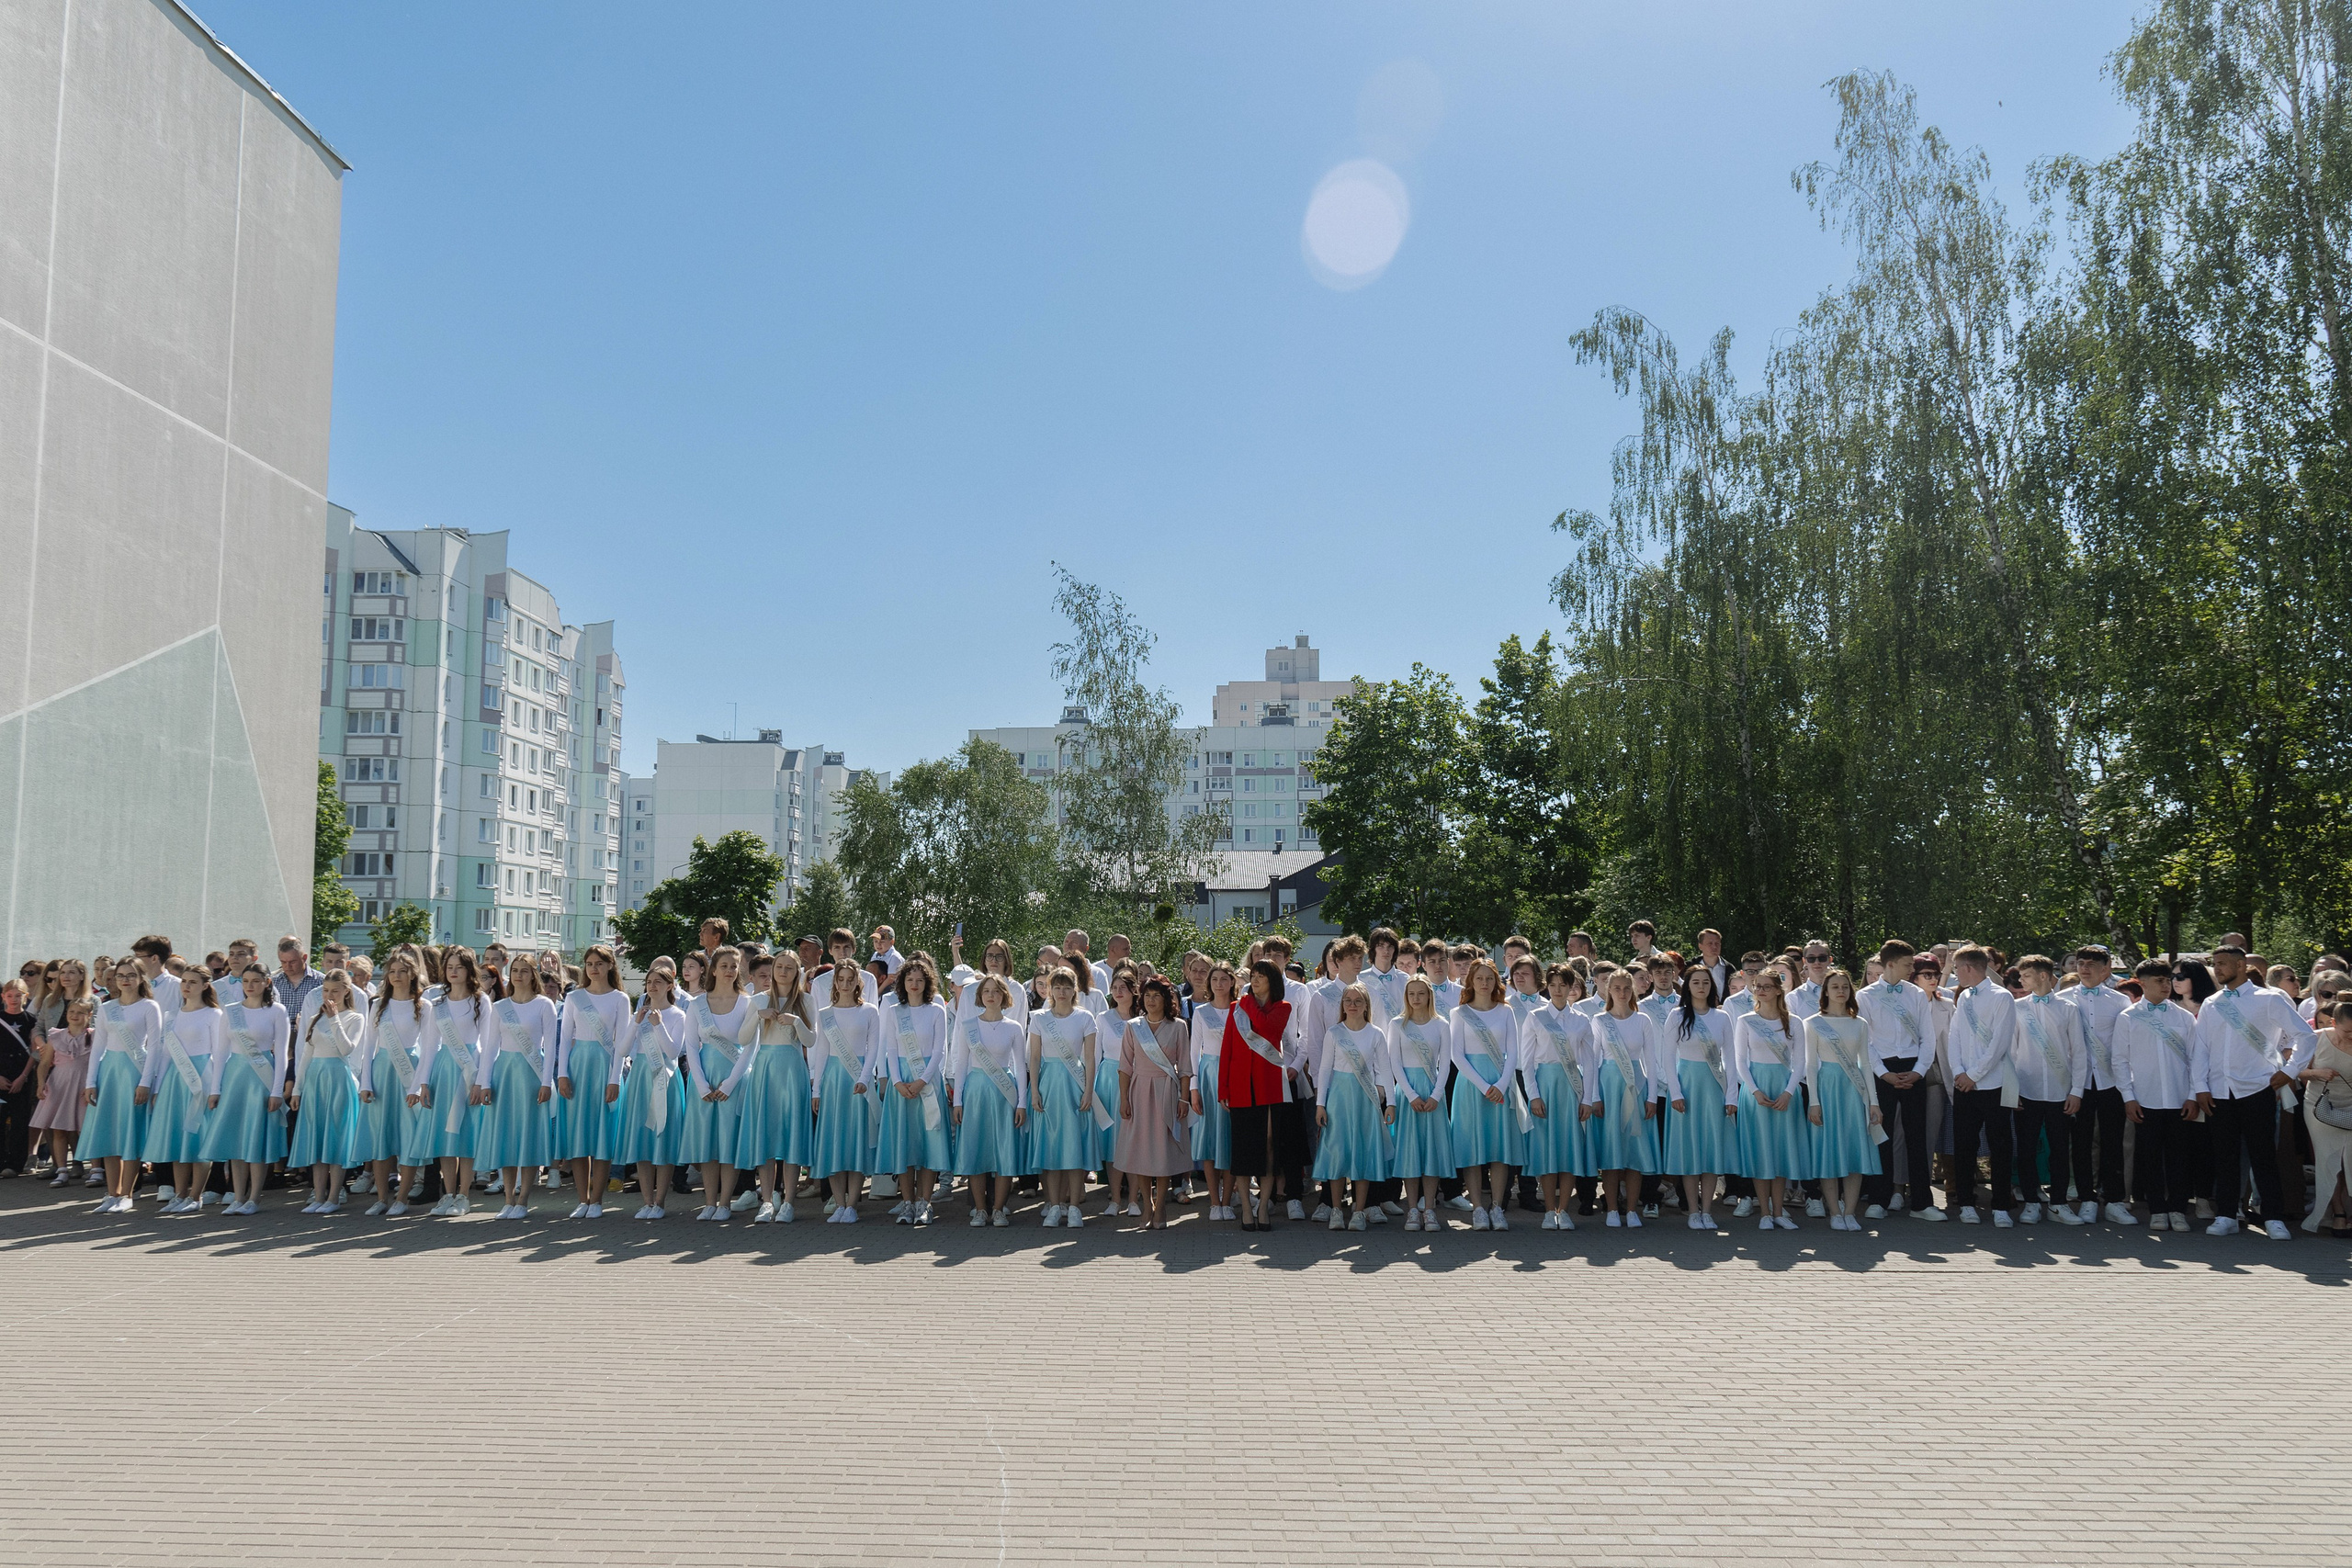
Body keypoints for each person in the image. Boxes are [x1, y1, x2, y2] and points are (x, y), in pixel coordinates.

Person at [2193, 942, 2314, 1239]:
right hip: (2220, 1091)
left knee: (2263, 1156)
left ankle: (2273, 1217)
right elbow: (2201, 1049)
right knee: (2224, 1156)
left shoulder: (2269, 999)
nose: (2217, 969)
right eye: (2215, 963)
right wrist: (2200, 1087)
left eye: (2222, 963)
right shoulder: (2212, 1003)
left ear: (2240, 965)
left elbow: (2306, 1036)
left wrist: (2288, 1072)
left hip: (2258, 1088)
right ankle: (2225, 1214)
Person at [2115, 959, 2203, 1234]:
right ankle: (2157, 1208)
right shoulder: (2128, 1017)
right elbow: (2119, 1060)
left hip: (2179, 1100)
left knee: (2180, 1158)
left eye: (2168, 980)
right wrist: (2128, 1097)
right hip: (2145, 1099)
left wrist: (2192, 1095)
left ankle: (2177, 1209)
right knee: (2150, 1157)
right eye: (2159, 981)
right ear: (2142, 983)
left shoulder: (2183, 1017)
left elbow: (2196, 1059)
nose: (2167, 986)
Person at [1857, 940, 1935, 1221]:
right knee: (1882, 1135)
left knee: (1917, 1137)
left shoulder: (1916, 994)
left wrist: (1919, 1070)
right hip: (1883, 1071)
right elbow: (1865, 1041)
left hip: (1914, 1068)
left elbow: (1929, 1037)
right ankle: (1879, 1199)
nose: (1912, 968)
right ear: (1890, 964)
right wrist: (1883, 1073)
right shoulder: (1865, 996)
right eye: (1907, 964)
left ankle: (1922, 1204)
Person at [472, 959, 556, 1219]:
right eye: (515, 971)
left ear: (533, 976)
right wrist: (485, 1082)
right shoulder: (499, 1007)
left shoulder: (544, 1005)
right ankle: (508, 1199)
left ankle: (523, 1200)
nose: (519, 975)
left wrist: (545, 1082)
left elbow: (550, 1048)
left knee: (528, 1136)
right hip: (504, 1074)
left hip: (531, 1074)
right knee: (506, 1138)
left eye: (525, 971)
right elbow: (490, 1047)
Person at [1220, 959, 1299, 1233]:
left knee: (1268, 1148)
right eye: (1252, 975)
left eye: (1261, 977)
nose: (1254, 981)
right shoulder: (1236, 1008)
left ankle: (1263, 1206)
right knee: (1242, 1150)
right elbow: (1227, 1049)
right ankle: (1245, 1207)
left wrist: (1247, 1001)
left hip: (1269, 1086)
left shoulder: (1282, 1007)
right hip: (1240, 1086)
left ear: (1272, 981)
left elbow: (1267, 1028)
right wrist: (1223, 1088)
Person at [735, 951, 815, 1224]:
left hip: (792, 1070)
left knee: (791, 1136)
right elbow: (743, 1038)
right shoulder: (758, 1000)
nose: (782, 971)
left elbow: (812, 1040)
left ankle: (789, 1201)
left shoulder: (806, 1000)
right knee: (765, 1136)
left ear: (797, 972)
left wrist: (797, 1021)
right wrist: (758, 1016)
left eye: (789, 968)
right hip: (765, 1069)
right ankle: (767, 1200)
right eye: (779, 966)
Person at [1517, 963, 1597, 1231]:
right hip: (1546, 1085)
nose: (1558, 990)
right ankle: (1549, 1211)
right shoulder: (1536, 1017)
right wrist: (1534, 1096)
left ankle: (1564, 1210)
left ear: (1572, 986)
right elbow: (1526, 1062)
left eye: (1563, 985)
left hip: (1571, 1087)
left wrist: (1588, 1098)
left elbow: (1589, 1061)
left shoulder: (1582, 1020)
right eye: (1553, 985)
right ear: (1546, 987)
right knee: (1547, 1150)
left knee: (1569, 1149)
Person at [550, 944, 628, 1220]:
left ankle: (597, 1200)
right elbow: (565, 1037)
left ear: (610, 966)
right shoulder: (575, 998)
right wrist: (562, 1074)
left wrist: (615, 1079)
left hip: (605, 1067)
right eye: (589, 963)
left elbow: (621, 1044)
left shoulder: (620, 999)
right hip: (577, 1066)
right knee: (578, 1136)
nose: (594, 968)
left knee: (602, 1135)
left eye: (599, 963)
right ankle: (582, 1199)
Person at [2010, 955, 2088, 1225]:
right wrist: (2012, 1090)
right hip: (2026, 1090)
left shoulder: (2068, 1008)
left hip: (2060, 1092)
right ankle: (2031, 1202)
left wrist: (2077, 1090)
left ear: (2043, 975)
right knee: (2027, 1148)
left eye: (2026, 976)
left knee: (2058, 1149)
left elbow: (2079, 1052)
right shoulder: (2017, 1007)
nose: (2021, 981)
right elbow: (2010, 1052)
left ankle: (2058, 1203)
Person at [1945, 946, 2018, 1227]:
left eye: (1955, 968)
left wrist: (1974, 1073)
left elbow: (2000, 1042)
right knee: (1964, 1145)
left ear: (1968, 968)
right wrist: (1959, 1072)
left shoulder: (2002, 997)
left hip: (1994, 1083)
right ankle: (1966, 1203)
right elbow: (1955, 1036)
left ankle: (2000, 1205)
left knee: (2000, 1145)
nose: (1954, 973)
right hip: (1965, 1086)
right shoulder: (1963, 997)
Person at [1804, 967, 1883, 1231]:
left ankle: (1850, 1212)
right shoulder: (1813, 1023)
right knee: (1829, 1150)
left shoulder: (1859, 1023)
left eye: (1845, 987)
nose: (1841, 991)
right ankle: (1834, 1212)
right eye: (1835, 986)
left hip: (1853, 1091)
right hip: (1827, 1088)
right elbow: (1810, 1065)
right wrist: (1814, 1101)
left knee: (1854, 1149)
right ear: (1825, 991)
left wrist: (1874, 1102)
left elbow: (1866, 1063)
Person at [1661, 962, 1738, 1230]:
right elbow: (1668, 1058)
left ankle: (1707, 1211)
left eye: (1706, 982)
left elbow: (1731, 1057)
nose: (1701, 987)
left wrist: (1731, 1096)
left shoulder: (1722, 1017)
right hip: (1687, 1086)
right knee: (1690, 1151)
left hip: (1714, 1087)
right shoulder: (1677, 1016)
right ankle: (1692, 1210)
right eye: (1696, 982)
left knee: (1710, 1150)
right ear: (1687, 986)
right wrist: (1675, 1092)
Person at [141, 964, 224, 1213]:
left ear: (205, 985)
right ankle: (180, 1194)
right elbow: (165, 1055)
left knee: (197, 1137)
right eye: (184, 981)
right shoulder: (172, 1015)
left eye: (193, 982)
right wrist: (157, 1087)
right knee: (178, 1138)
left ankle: (196, 1196)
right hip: (175, 1080)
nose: (186, 986)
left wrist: (216, 1088)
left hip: (201, 1077)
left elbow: (220, 1054)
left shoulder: (214, 1014)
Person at [411, 948, 487, 1217]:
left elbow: (488, 1045)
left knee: (464, 1136)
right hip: (444, 1070)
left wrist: (482, 1081)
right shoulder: (437, 1004)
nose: (453, 971)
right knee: (445, 1137)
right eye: (449, 966)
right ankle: (448, 1194)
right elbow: (429, 1046)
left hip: (469, 1071)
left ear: (469, 970)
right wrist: (423, 1082)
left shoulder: (481, 1001)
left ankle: (464, 1195)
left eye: (459, 966)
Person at [680, 949, 754, 1222]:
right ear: (712, 970)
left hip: (733, 1077)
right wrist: (700, 1084)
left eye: (734, 966)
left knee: (727, 1143)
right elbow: (690, 1046)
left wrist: (731, 1082)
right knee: (707, 1143)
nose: (729, 970)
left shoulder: (747, 1003)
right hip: (705, 1077)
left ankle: (725, 1203)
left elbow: (750, 1047)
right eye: (724, 965)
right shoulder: (698, 1004)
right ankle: (709, 1202)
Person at [1449, 958, 1522, 1231]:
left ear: (1496, 982)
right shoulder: (1459, 1013)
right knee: (1473, 1149)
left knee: (1499, 1149)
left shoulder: (1506, 1011)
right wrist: (1484, 1086)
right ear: (1471, 981)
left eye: (1489, 978)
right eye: (1479, 978)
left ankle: (1497, 1207)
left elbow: (1512, 1052)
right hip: (1471, 1086)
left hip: (1500, 1084)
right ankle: (1478, 1208)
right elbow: (1457, 1055)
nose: (1484, 983)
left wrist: (1501, 1085)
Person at [876, 957, 952, 1226]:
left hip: (927, 1083)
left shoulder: (936, 1010)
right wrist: (897, 1082)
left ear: (927, 982)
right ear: (902, 983)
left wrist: (922, 1081)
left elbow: (940, 1049)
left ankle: (925, 1203)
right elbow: (891, 1049)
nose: (915, 984)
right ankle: (907, 1203)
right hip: (902, 1085)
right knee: (904, 1146)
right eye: (910, 980)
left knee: (928, 1146)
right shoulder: (895, 1011)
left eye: (920, 980)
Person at [1733, 969, 1809, 1230]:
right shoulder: (1745, 1020)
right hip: (1756, 1090)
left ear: (1778, 990)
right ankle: (1764, 1212)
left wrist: (1789, 1092)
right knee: (1760, 1150)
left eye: (1766, 986)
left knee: (1781, 1151)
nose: (1761, 990)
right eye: (1757, 986)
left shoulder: (1794, 1022)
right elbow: (1740, 1060)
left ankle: (1778, 1211)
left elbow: (1800, 1062)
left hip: (1784, 1089)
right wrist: (1754, 1090)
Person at [1115, 975, 1193, 1230]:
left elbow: (1184, 1067)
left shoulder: (1178, 1026)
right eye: (1147, 995)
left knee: (1162, 1152)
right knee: (1140, 1150)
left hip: (1167, 1092)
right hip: (1139, 1092)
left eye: (1156, 995)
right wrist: (1124, 1099)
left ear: (1166, 998)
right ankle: (1146, 1205)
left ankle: (1160, 1207)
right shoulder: (1133, 1026)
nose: (1150, 1000)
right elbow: (1125, 1067)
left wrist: (1184, 1098)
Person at [82, 961, 161, 1213]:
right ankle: (112, 1193)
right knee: (109, 1134)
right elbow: (98, 1047)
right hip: (110, 1073)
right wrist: (90, 1082)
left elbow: (156, 1047)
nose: (125, 980)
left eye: (130, 975)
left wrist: (146, 1082)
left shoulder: (149, 1007)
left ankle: (127, 1194)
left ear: (140, 978)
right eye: (120, 976)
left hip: (134, 1073)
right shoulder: (107, 1008)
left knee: (130, 1134)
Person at [1026, 966, 1102, 1230]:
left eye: (1067, 987)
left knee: (1074, 1147)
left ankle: (1074, 1208)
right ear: (1049, 989)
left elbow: (1091, 1058)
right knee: (1051, 1148)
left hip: (1075, 1086)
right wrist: (1034, 1090)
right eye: (1057, 987)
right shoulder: (1039, 1019)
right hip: (1048, 1085)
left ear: (1075, 990)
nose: (1061, 992)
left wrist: (1089, 1090)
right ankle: (1054, 1205)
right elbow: (1034, 1057)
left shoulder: (1085, 1018)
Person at [951, 975, 1027, 1227]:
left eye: (996, 991)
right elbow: (961, 1065)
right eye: (986, 991)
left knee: (1004, 1151)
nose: (991, 995)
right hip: (975, 1091)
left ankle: (999, 1209)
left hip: (1004, 1094)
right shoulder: (968, 1025)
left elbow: (1019, 1066)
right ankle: (981, 1209)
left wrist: (1022, 1103)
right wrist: (958, 1101)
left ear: (1004, 995)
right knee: (976, 1150)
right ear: (980, 996)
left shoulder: (1014, 1027)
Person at [357, 953, 430, 1217]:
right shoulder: (378, 1005)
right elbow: (368, 1047)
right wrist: (365, 1082)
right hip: (382, 1072)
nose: (396, 975)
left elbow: (429, 1049)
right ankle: (381, 1197)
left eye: (402, 971)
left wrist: (417, 1086)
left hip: (409, 1071)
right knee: (381, 1137)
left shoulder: (424, 1006)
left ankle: (402, 1198)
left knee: (408, 1136)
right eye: (391, 971)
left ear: (412, 974)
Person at [287, 970, 365, 1214]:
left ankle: (334, 1196)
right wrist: (297, 1089)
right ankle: (318, 1196)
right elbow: (305, 1057)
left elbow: (346, 1048)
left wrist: (334, 1019)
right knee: (317, 1139)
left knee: (336, 1138)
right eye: (326, 991)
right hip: (315, 1080)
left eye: (335, 991)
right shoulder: (314, 1018)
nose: (329, 996)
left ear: (346, 992)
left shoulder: (355, 1018)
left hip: (338, 1079)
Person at [2064, 945, 2132, 1224]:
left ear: (2107, 969)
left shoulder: (2120, 1002)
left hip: (2110, 1082)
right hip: (2076, 1083)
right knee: (2079, 1144)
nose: (2085, 968)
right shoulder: (2063, 999)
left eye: (2093, 963)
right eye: (2081, 963)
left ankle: (2114, 1200)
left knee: (2112, 1141)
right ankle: (2087, 1199)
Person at [809, 960, 881, 1223]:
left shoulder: (870, 1011)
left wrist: (865, 1077)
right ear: (835, 982)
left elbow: (873, 1049)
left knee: (855, 1141)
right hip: (833, 1081)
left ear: (857, 982)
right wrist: (816, 1089)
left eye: (851, 979)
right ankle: (839, 1203)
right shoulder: (825, 1013)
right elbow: (821, 1052)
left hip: (858, 1081)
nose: (846, 983)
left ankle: (852, 1204)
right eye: (841, 979)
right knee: (834, 1142)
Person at [617, 961, 688, 1218]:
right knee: (643, 1141)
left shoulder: (678, 1015)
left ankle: (660, 1202)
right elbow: (623, 1050)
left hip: (665, 1078)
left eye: (658, 982)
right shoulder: (639, 1015)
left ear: (670, 985)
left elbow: (673, 1052)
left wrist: (658, 1025)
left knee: (663, 1139)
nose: (652, 986)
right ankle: (647, 1201)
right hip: (640, 1078)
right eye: (649, 982)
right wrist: (636, 1023)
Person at [1589, 967, 1659, 1226]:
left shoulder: (1643, 1021)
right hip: (1609, 1088)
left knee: (1634, 1150)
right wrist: (1595, 1096)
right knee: (1611, 1151)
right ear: (1609, 990)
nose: (1621, 992)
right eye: (1616, 988)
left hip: (1637, 1088)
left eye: (1626, 988)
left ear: (1633, 990)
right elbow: (1592, 1061)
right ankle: (1610, 1209)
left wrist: (1652, 1096)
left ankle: (1631, 1210)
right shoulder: (1599, 1020)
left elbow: (1651, 1062)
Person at [1189, 962, 1238, 1220]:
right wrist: (1194, 1088)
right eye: (1214, 979)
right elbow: (1193, 1052)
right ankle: (1214, 1201)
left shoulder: (1240, 1010)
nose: (1219, 984)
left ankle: (1228, 1201)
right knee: (1209, 1139)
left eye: (1224, 979)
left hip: (1234, 1076)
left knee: (1230, 1140)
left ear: (1232, 982)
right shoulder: (1201, 1012)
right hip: (1208, 1077)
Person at [2299, 998, 2352, 1236]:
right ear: (2333, 1023)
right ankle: (2338, 1213)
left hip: (2351, 1108)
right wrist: (2316, 1073)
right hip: (2319, 1108)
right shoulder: (2316, 1038)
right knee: (2331, 1161)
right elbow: (2295, 1070)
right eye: (2348, 1031)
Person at [33, 993, 93, 1188]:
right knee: (58, 1128)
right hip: (59, 1084)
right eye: (71, 1012)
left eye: (80, 1012)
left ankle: (96, 1170)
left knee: (87, 1128)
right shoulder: (56, 1036)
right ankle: (61, 1170)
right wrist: (41, 1082)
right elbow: (44, 1063)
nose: (74, 1015)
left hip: (84, 1085)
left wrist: (93, 1085)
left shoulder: (95, 1036)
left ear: (89, 1015)